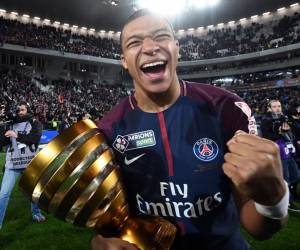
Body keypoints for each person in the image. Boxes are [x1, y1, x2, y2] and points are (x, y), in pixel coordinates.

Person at [93, 9, 288, 250]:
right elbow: (110, 219)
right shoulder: (109, 128)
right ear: (124, 59)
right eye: (134, 42)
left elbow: (258, 227)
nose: (150, 47)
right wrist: (100, 241)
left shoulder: (226, 108)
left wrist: (273, 200)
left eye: (161, 36)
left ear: (177, 48)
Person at [0, 101, 46, 230]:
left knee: (34, 191)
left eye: (23, 110)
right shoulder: (10, 124)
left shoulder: (35, 123)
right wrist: (2, 127)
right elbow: (2, 143)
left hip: (30, 165)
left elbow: (34, 139)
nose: (20, 112)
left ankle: (36, 213)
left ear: (28, 110)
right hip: (12, 165)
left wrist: (17, 135)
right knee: (3, 194)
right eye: (18, 110)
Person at [261, 100, 300, 211]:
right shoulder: (266, 120)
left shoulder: (283, 117)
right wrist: (280, 132)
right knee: (285, 179)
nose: (278, 108)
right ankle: (288, 202)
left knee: (296, 176)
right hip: (277, 153)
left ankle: (276, 191)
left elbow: (290, 133)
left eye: (279, 106)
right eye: (274, 106)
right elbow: (267, 137)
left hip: (288, 151)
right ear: (269, 108)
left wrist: (288, 130)